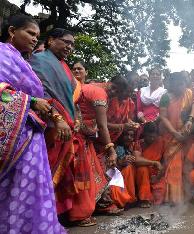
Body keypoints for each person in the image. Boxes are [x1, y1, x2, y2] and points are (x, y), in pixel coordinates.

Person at [0, 14, 66, 233]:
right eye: (30, 33)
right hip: (12, 136)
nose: (34, 39)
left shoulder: (22, 61)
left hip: (30, 133)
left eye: (37, 36)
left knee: (31, 188)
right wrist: (31, 101)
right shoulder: (2, 54)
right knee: (14, 188)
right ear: (12, 31)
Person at [29, 28, 78, 217]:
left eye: (72, 44)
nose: (70, 47)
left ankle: (53, 217)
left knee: (58, 174)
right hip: (50, 125)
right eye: (66, 42)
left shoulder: (63, 65)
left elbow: (70, 98)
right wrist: (57, 118)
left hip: (66, 124)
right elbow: (40, 92)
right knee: (45, 173)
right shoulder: (39, 60)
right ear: (50, 40)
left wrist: (76, 118)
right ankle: (39, 217)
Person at [72, 61, 123, 224]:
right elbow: (102, 125)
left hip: (83, 138)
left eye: (80, 68)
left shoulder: (87, 88)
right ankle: (79, 214)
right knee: (84, 176)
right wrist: (111, 149)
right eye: (74, 68)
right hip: (76, 139)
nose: (76, 70)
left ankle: (99, 205)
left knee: (94, 174)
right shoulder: (98, 92)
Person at [159, 72, 193, 204]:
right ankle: (173, 198)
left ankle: (187, 195)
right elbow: (163, 117)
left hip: (186, 136)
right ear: (171, 84)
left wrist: (186, 131)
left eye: (182, 83)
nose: (180, 87)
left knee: (186, 165)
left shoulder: (189, 94)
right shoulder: (166, 97)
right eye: (177, 84)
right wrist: (175, 133)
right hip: (170, 136)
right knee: (174, 165)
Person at [113, 129, 162, 208]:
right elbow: (110, 169)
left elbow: (137, 161)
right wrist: (120, 163)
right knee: (129, 168)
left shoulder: (134, 145)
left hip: (135, 178)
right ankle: (128, 199)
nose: (129, 138)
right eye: (126, 135)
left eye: (131, 136)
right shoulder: (115, 148)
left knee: (142, 169)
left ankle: (143, 198)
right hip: (119, 179)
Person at [135, 122, 166, 207]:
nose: (152, 139)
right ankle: (144, 199)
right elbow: (137, 160)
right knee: (142, 169)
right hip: (142, 175)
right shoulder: (139, 144)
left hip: (157, 175)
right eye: (149, 136)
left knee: (160, 196)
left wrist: (157, 177)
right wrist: (154, 162)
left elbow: (164, 163)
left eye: (154, 136)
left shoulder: (161, 142)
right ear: (144, 134)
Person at [104, 75, 139, 143]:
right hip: (101, 135)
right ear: (121, 88)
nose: (129, 94)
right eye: (127, 91)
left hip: (114, 138)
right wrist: (122, 126)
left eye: (131, 92)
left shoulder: (131, 103)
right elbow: (100, 123)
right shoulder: (109, 98)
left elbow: (127, 119)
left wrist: (132, 124)